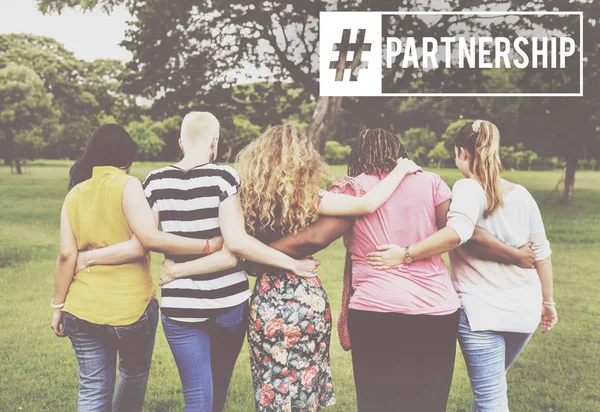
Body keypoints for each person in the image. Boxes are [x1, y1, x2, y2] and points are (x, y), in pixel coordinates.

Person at [249, 128, 537, 412]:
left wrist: (255, 252)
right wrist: (514, 255)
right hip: (437, 311)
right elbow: (465, 233)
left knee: (379, 402)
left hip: (377, 310)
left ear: (358, 155)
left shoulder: (354, 187)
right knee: (428, 403)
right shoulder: (432, 183)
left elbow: (314, 238)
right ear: (400, 152)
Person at [74, 114, 320, 412]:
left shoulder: (154, 180)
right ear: (214, 141)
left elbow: (146, 239)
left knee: (197, 394)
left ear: (180, 142)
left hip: (181, 307)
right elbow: (237, 244)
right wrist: (291, 264)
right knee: (217, 389)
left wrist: (88, 257)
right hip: (229, 303)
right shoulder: (224, 178)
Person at [366, 120, 557, 412]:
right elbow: (542, 252)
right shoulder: (522, 195)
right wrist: (548, 302)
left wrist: (405, 253)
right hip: (525, 311)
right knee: (490, 391)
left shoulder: (467, 187)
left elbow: (458, 233)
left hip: (481, 315)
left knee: (491, 400)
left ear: (462, 153)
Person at [51, 124, 228, 412]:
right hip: (129, 311)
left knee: (92, 390)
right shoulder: (127, 184)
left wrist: (58, 306)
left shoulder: (74, 194)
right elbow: (145, 241)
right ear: (127, 161)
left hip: (80, 308)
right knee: (133, 374)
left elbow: (65, 256)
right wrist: (207, 245)